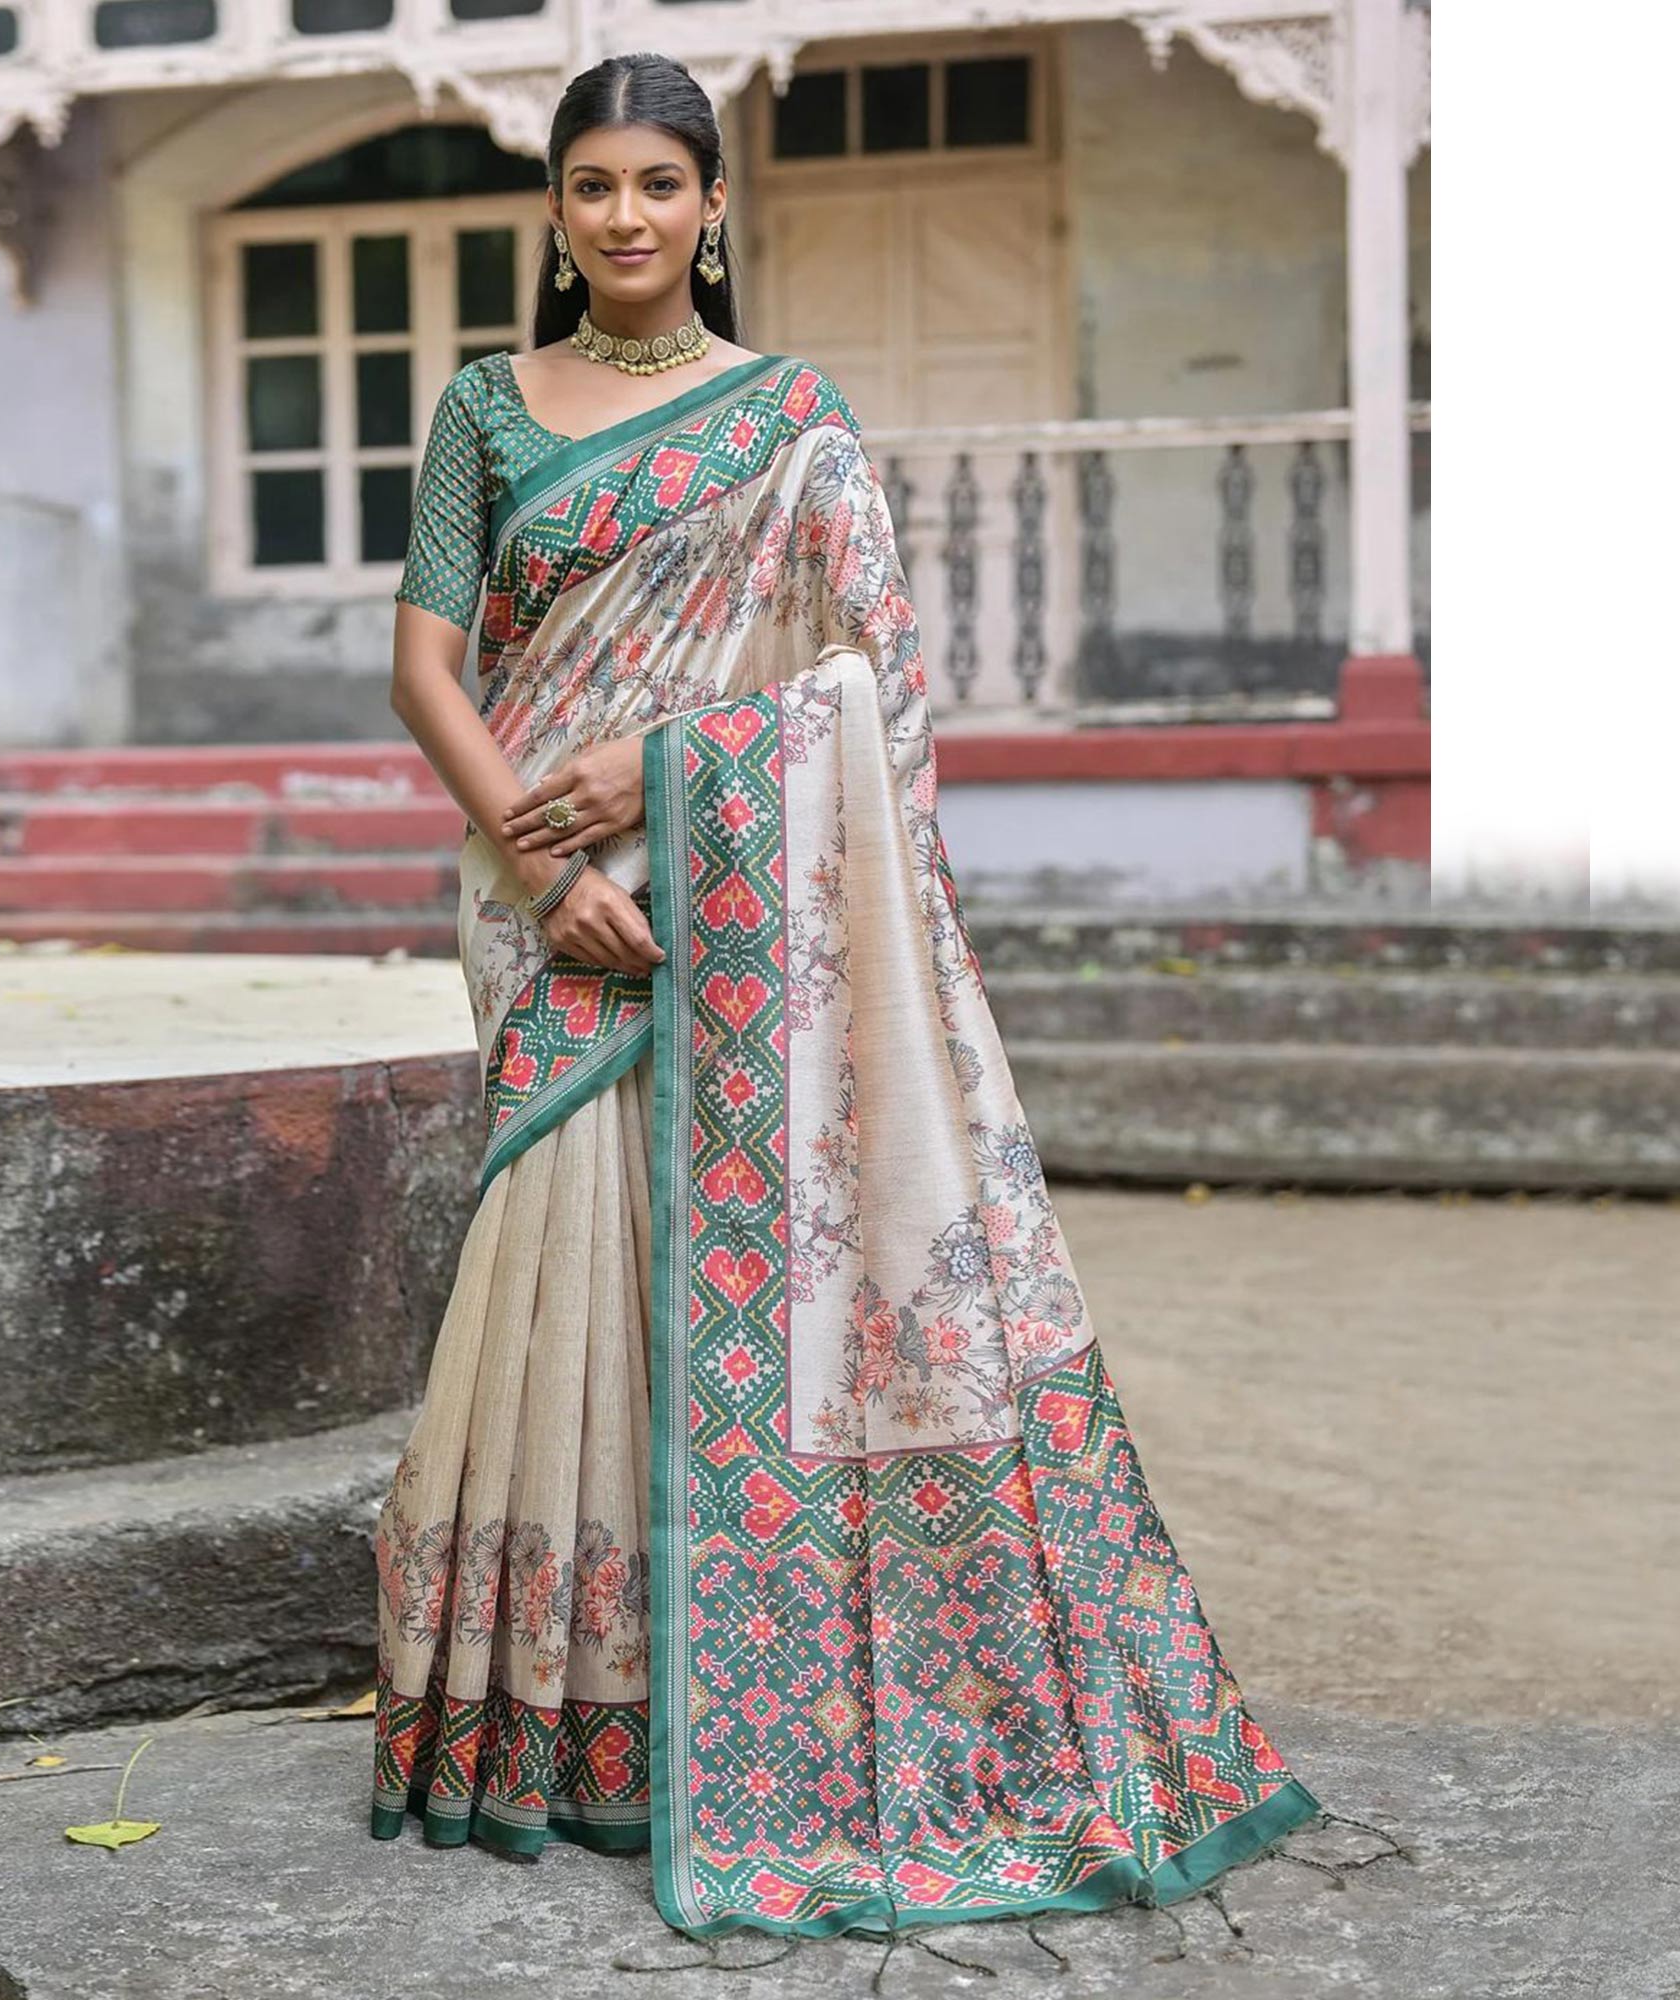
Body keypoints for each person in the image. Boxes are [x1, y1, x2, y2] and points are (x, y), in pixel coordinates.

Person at [369, 49, 1322, 1942]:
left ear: (714, 207)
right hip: (540, 905)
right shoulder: (487, 410)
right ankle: (547, 1730)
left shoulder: (795, 422)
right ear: (554, 214)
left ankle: (722, 1717)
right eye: (592, 187)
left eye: (661, 183)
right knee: (549, 1274)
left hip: (732, 906)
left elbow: (876, 695)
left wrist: (662, 782)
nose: (627, 216)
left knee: (728, 1293)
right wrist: (551, 867)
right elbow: (426, 667)